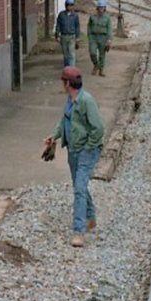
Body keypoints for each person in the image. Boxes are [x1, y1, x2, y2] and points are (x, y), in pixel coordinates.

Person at [44, 66, 104, 248]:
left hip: (85, 151)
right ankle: (91, 217)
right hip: (73, 150)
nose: (63, 85)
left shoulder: (86, 101)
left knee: (79, 188)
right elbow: (64, 120)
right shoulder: (70, 100)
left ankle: (78, 232)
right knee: (80, 186)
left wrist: (88, 147)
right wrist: (54, 136)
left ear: (68, 83)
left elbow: (98, 128)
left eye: (63, 81)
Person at [87, 0, 113, 76]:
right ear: (97, 8)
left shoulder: (107, 18)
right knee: (92, 52)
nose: (101, 9)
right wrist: (89, 35)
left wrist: (109, 39)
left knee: (102, 55)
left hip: (103, 37)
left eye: (102, 8)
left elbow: (109, 29)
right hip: (94, 37)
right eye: (99, 7)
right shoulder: (92, 17)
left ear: (104, 8)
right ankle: (96, 64)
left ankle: (101, 70)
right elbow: (89, 26)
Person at [55, 0, 81, 66]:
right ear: (66, 5)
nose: (69, 7)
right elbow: (58, 25)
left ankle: (72, 69)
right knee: (66, 54)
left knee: (71, 53)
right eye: (68, 5)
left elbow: (77, 26)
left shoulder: (75, 16)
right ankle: (67, 68)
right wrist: (57, 35)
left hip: (72, 36)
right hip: (64, 36)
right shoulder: (61, 15)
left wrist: (77, 37)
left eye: (71, 5)